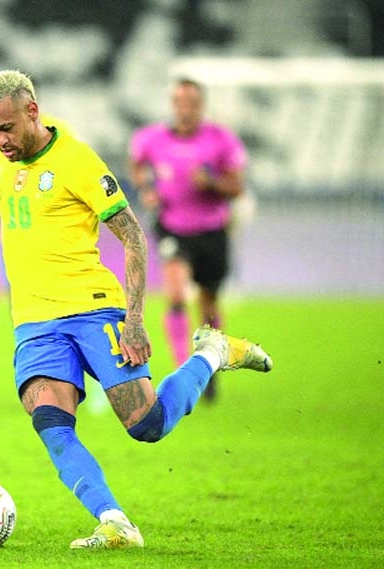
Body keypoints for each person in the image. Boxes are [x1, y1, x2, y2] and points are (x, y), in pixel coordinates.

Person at [0, 70, 272, 549]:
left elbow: (132, 234)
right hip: (34, 323)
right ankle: (115, 522)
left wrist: (133, 319)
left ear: (32, 111)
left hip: (93, 310)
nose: (0, 140)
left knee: (147, 425)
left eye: (6, 128)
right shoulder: (7, 163)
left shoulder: (76, 160)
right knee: (52, 426)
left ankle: (214, 351)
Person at [128, 78, 248, 401]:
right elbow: (137, 165)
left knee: (208, 302)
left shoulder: (220, 140)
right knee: (177, 293)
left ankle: (209, 368)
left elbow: (237, 187)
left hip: (211, 231)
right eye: (180, 103)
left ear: (201, 106)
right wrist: (146, 188)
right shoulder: (153, 139)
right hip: (173, 228)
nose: (185, 110)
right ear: (173, 105)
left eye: (192, 104)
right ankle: (184, 370)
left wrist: (211, 182)